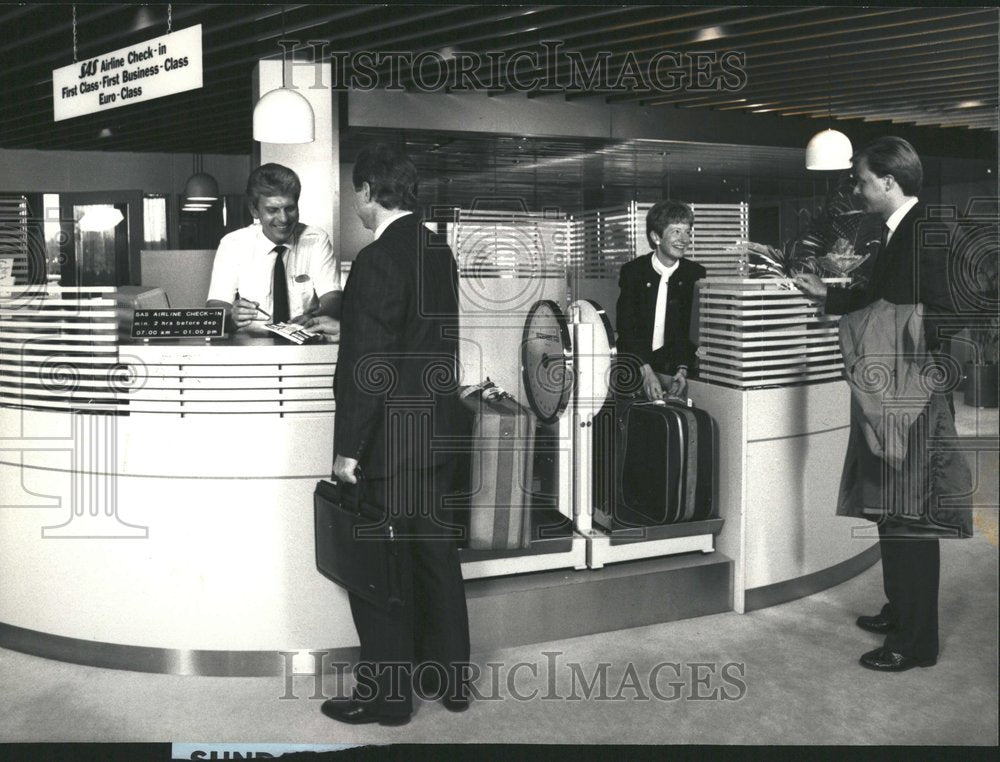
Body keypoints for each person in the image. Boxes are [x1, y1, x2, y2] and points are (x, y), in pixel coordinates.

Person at [794, 136, 973, 672]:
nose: (856, 188)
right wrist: (830, 298)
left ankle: (916, 644)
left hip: (910, 394)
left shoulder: (929, 231)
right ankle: (900, 610)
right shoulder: (897, 232)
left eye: (862, 180)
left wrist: (902, 342)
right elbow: (883, 299)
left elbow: (952, 310)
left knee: (910, 518)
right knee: (889, 511)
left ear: (889, 182)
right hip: (889, 392)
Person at [310, 143, 470, 725]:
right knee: (434, 559)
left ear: (369, 192)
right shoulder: (435, 250)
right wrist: (350, 319)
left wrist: (349, 450)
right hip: (436, 434)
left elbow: (369, 369)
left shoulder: (376, 260)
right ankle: (450, 682)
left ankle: (390, 699)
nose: (357, 203)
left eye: (357, 193)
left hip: (392, 447)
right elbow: (414, 338)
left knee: (379, 575)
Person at [206, 163, 341, 335]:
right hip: (251, 347)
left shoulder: (316, 239)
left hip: (305, 344)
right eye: (272, 210)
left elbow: (333, 297)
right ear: (254, 210)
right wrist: (232, 317)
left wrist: (315, 316)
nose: (283, 219)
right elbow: (215, 308)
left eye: (290, 208)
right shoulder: (233, 244)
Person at [615, 200, 707, 400]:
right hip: (634, 366)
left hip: (671, 368)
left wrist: (682, 369)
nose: (684, 239)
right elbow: (626, 327)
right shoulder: (633, 272)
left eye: (687, 232)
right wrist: (646, 372)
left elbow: (691, 330)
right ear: (656, 237)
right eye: (676, 231)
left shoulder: (695, 274)